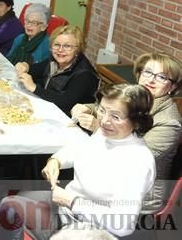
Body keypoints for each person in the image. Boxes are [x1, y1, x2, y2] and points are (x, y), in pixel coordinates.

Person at [2, 84, 155, 239]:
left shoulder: (138, 162)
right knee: (16, 200)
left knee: (9, 210)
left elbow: (123, 225)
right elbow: (81, 149)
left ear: (137, 122)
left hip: (90, 227)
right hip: (68, 205)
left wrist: (72, 201)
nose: (104, 120)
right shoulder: (108, 134)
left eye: (115, 116)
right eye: (102, 110)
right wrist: (56, 160)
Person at [71, 52, 181, 213]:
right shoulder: (136, 98)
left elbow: (131, 158)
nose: (150, 80)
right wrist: (86, 107)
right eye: (148, 72)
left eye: (162, 77)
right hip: (109, 177)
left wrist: (98, 127)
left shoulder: (170, 122)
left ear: (172, 87)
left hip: (136, 200)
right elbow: (111, 108)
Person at [15, 25, 99, 115]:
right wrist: (25, 65)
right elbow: (37, 69)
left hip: (69, 120)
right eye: (57, 44)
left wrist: (34, 88)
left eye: (67, 46)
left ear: (78, 49)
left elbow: (66, 103)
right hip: (48, 108)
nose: (60, 50)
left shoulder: (85, 75)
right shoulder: (55, 59)